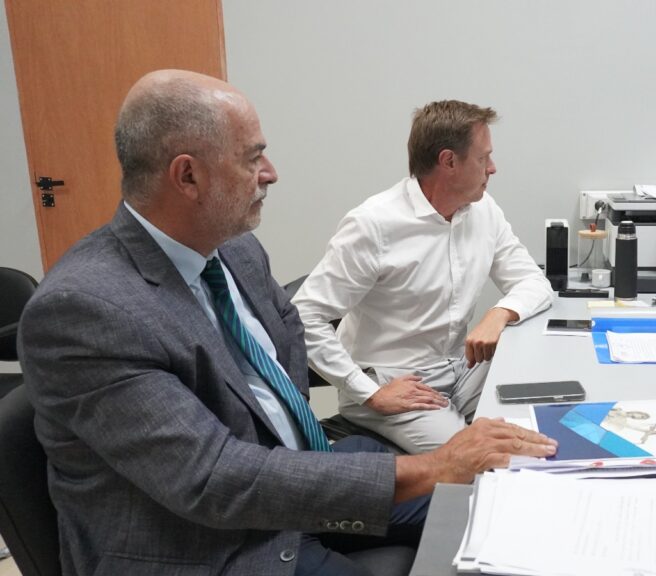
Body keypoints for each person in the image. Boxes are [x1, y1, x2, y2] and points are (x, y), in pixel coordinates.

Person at [17, 70, 556, 576]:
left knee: (487, 507)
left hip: (291, 475)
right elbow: (213, 479)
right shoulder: (85, 310)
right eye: (253, 158)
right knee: (450, 489)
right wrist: (429, 463)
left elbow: (290, 346)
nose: (271, 173)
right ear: (188, 176)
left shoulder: (234, 250)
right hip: (212, 542)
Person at [292, 100, 553, 454]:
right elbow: (304, 316)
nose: (493, 168)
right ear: (449, 162)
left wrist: (499, 313)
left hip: (460, 370)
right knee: (477, 458)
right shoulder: (374, 225)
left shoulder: (484, 211)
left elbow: (534, 283)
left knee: (540, 412)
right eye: (483, 158)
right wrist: (369, 393)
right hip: (395, 382)